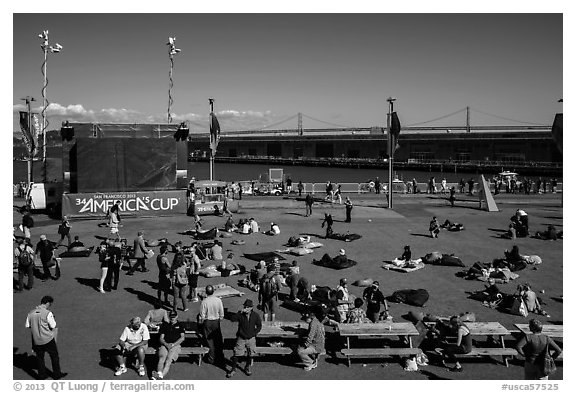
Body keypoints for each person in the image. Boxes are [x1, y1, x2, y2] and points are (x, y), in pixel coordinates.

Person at [25, 295, 67, 380]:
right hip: (48, 339)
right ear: (47, 303)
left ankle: (41, 376)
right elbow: (53, 325)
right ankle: (57, 374)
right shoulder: (48, 313)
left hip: (36, 340)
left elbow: (28, 325)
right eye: (50, 304)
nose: (49, 306)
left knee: (40, 357)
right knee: (54, 356)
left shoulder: (31, 313)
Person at [226, 299, 262, 378]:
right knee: (236, 353)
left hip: (251, 338)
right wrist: (240, 312)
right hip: (241, 337)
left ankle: (247, 367)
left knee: (251, 354)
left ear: (251, 308)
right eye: (245, 306)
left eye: (247, 307)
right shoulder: (241, 315)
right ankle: (233, 369)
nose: (246, 308)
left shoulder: (255, 315)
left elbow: (259, 326)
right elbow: (232, 319)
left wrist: (254, 333)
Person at [153, 310, 185, 380]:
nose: (172, 318)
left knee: (168, 360)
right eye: (171, 317)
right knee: (161, 358)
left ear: (177, 316)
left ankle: (160, 376)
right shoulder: (165, 325)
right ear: (169, 317)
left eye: (173, 317)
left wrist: (173, 344)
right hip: (165, 344)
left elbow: (182, 338)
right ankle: (159, 374)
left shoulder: (180, 325)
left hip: (175, 345)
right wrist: (166, 344)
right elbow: (161, 338)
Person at [199, 285, 225, 365]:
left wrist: (202, 322)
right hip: (216, 321)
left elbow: (202, 315)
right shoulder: (218, 300)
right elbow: (221, 312)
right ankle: (220, 356)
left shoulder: (204, 301)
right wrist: (220, 318)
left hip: (208, 321)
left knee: (209, 341)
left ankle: (211, 358)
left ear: (206, 292)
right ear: (213, 291)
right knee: (218, 339)